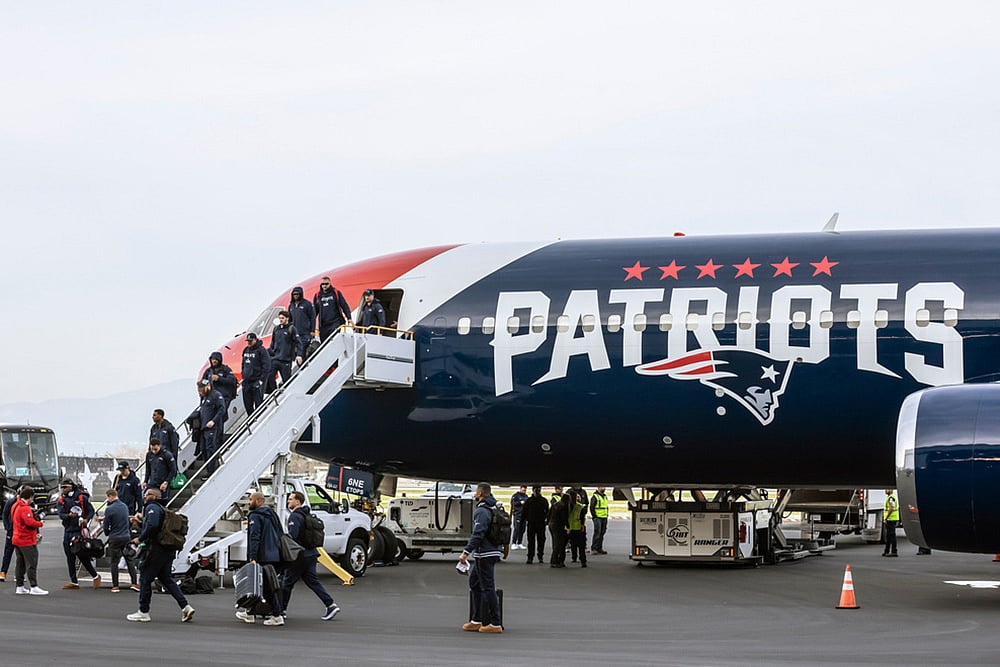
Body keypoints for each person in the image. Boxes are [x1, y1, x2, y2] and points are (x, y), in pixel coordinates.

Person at [127, 488, 195, 623]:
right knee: (166, 579)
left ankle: (143, 611)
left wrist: (140, 539)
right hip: (168, 550)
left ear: (155, 496)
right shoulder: (162, 509)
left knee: (145, 579)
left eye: (148, 494)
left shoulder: (152, 507)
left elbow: (152, 526)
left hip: (156, 549)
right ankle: (185, 606)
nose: (145, 496)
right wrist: (142, 521)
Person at [281, 491, 340, 620]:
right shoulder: (307, 514)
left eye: (290, 499)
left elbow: (293, 536)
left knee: (287, 582)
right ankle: (330, 604)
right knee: (312, 581)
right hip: (312, 553)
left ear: (298, 501)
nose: (288, 501)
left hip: (299, 555)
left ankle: (281, 610)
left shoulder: (295, 517)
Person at [458, 483, 504, 634]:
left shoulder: (482, 511)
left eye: (476, 491)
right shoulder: (495, 507)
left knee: (488, 587)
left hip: (484, 553)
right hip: (491, 551)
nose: (474, 493)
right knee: (475, 583)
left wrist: (466, 552)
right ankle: (476, 619)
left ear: (480, 493)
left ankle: (495, 623)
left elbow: (478, 533)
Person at [238, 492, 284, 626]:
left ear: (258, 501)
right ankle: (250, 613)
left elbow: (255, 537)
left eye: (251, 499)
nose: (249, 502)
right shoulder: (272, 514)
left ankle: (276, 615)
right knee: (261, 585)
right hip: (274, 554)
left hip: (261, 556)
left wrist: (252, 556)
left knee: (264, 587)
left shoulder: (255, 516)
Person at [56, 479, 101, 589]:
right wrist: (68, 516)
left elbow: (91, 510)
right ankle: (74, 581)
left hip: (78, 531)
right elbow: (61, 514)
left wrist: (87, 519)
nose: (63, 489)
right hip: (68, 530)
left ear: (71, 487)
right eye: (62, 487)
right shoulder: (61, 500)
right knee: (69, 557)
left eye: (65, 487)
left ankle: (95, 576)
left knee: (81, 555)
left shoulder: (81, 497)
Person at [11, 486, 46, 595]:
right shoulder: (25, 508)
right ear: (30, 497)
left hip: (17, 538)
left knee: (20, 563)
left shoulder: (15, 506)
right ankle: (34, 586)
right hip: (26, 540)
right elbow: (30, 523)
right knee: (32, 563)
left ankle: (20, 586)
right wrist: (40, 523)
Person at [186, 381, 225, 476]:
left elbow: (222, 409)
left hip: (212, 427)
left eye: (202, 389)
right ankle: (208, 469)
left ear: (208, 386)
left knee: (210, 449)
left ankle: (211, 471)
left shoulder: (216, 396)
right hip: (203, 428)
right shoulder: (204, 397)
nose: (200, 392)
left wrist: (214, 421)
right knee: (203, 450)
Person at [103, 488, 138, 593]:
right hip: (126, 536)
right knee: (129, 560)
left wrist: (107, 533)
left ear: (110, 496)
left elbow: (106, 526)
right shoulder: (124, 506)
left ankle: (115, 586)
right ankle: (134, 583)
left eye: (107, 498)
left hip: (115, 537)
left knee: (114, 561)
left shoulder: (109, 509)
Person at [268, 311, 302, 388]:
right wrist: (271, 352)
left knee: (287, 380)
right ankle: (274, 391)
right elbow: (273, 342)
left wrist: (299, 355)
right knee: (270, 375)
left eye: (282, 318)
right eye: (279, 318)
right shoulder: (276, 329)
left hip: (286, 360)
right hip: (275, 358)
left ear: (287, 318)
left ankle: (286, 391)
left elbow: (298, 342)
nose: (281, 320)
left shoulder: (291, 329)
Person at [313, 277, 352, 342]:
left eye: (326, 284)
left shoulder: (336, 293)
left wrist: (349, 318)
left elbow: (344, 305)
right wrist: (310, 324)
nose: (324, 285)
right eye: (323, 284)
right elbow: (314, 311)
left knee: (333, 340)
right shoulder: (317, 295)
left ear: (330, 283)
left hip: (335, 322)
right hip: (323, 324)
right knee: (324, 343)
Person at [241, 332, 271, 415]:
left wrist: (261, 380)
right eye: (248, 341)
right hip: (247, 382)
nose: (249, 342)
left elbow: (267, 366)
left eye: (251, 341)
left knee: (258, 404)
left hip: (256, 381)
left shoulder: (261, 350)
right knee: (248, 405)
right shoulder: (245, 350)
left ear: (255, 340)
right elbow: (243, 364)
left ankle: (259, 418)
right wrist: (243, 376)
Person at [523, 485, 548, 565]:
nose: (537, 492)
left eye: (538, 490)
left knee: (541, 541)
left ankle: (540, 556)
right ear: (533, 491)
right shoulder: (529, 501)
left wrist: (546, 521)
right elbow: (524, 512)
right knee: (531, 541)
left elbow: (547, 512)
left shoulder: (544, 500)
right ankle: (530, 557)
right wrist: (523, 522)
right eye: (536, 490)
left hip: (541, 523)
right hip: (531, 523)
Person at [548, 492, 569, 568]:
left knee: (555, 542)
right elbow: (565, 518)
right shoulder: (564, 506)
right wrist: (568, 527)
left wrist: (547, 522)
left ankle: (555, 560)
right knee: (559, 544)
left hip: (552, 524)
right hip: (558, 526)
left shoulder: (555, 504)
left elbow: (549, 514)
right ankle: (554, 561)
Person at [567, 491, 588, 567]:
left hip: (571, 527)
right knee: (580, 545)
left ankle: (574, 557)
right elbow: (582, 517)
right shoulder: (580, 506)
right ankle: (583, 560)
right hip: (578, 527)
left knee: (574, 544)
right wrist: (582, 526)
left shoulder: (568, 506)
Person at [590, 486, 609, 555]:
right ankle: (594, 548)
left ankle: (599, 548)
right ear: (598, 488)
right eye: (602, 487)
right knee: (597, 532)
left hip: (604, 517)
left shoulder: (605, 496)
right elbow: (592, 507)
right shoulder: (595, 496)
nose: (603, 488)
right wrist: (594, 516)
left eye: (604, 487)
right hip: (598, 517)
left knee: (602, 533)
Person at [1, 493, 15, 582]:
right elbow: (5, 514)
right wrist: (7, 527)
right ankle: (3, 572)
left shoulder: (28, 503)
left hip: (22, 532)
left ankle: (18, 575)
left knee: (21, 554)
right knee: (8, 552)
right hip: (12, 530)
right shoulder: (11, 502)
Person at [509, 485, 528, 550]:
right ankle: (514, 543)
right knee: (517, 529)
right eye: (523, 490)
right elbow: (512, 503)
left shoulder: (526, 496)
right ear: (520, 489)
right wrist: (520, 502)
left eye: (525, 490)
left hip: (524, 515)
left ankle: (519, 543)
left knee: (522, 530)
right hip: (517, 515)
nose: (524, 491)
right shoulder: (516, 496)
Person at [882, 489, 899, 557]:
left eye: (887, 489)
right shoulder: (890, 497)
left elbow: (891, 508)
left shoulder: (891, 498)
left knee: (892, 535)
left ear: (891, 490)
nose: (885, 490)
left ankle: (894, 551)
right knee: (888, 536)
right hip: (891, 519)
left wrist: (886, 518)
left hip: (891, 519)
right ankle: (886, 550)